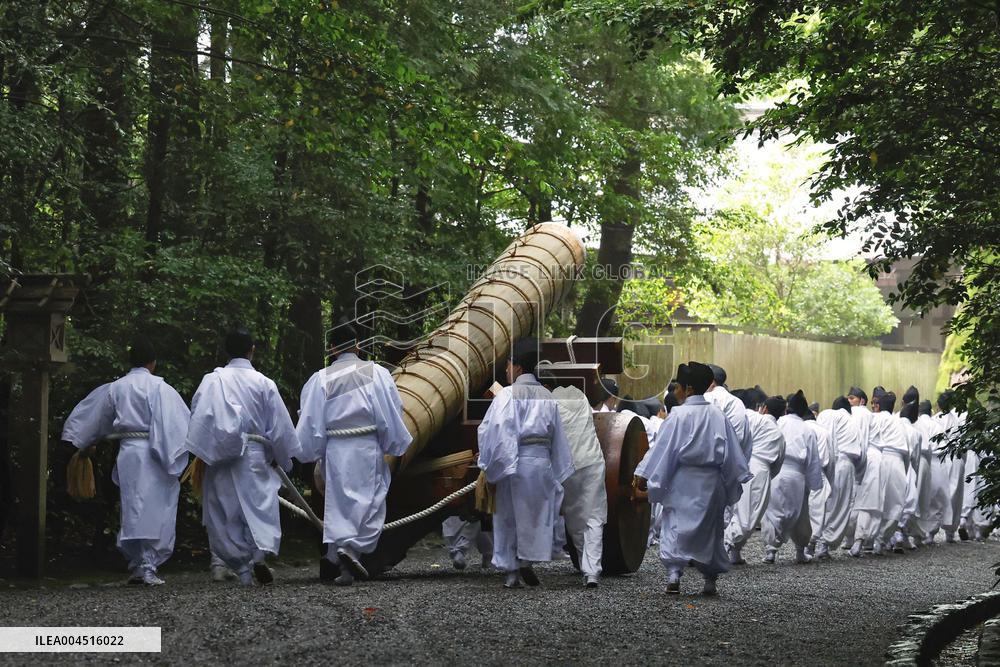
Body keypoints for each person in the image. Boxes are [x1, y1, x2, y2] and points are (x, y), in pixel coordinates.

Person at [62, 338, 191, 586]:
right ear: (153, 363)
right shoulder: (161, 388)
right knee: (156, 506)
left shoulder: (117, 388)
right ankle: (147, 564)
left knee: (133, 506)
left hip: (129, 452)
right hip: (156, 451)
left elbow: (96, 418)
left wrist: (82, 441)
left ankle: (138, 563)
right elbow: (179, 424)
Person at [296, 319, 413, 586]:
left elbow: (310, 419)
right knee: (370, 502)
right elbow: (393, 408)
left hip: (336, 449)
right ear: (358, 346)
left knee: (338, 505)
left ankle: (343, 563)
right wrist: (392, 442)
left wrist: (311, 451)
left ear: (333, 349)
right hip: (367, 446)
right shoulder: (377, 374)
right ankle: (350, 552)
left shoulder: (320, 379)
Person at [185, 328, 301, 586]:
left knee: (225, 513)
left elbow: (199, 414)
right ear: (252, 349)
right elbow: (280, 427)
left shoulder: (211, 381)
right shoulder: (264, 383)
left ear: (226, 351)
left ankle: (243, 569)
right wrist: (281, 458)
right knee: (259, 509)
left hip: (220, 456)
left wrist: (206, 448)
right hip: (256, 454)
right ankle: (258, 555)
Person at [634, 362, 750, 596]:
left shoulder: (678, 415)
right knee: (711, 530)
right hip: (711, 480)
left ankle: (674, 575)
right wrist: (730, 480)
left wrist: (644, 473)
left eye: (676, 387)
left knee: (674, 525)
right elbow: (732, 452)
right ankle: (710, 579)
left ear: (687, 389)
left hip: (682, 480)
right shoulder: (718, 415)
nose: (674, 391)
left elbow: (663, 449)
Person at [477, 338, 574, 589]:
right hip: (540, 464)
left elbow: (496, 430)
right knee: (534, 516)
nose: (507, 370)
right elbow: (558, 438)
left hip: (515, 462)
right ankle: (525, 560)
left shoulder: (508, 395)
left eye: (509, 365)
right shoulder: (547, 396)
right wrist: (557, 468)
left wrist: (493, 464)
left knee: (508, 518)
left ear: (518, 367)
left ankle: (511, 572)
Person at [541, 372, 608, 588]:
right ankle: (592, 571)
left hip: (567, 466)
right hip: (592, 462)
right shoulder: (579, 396)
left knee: (575, 519)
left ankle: (585, 566)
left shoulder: (547, 403)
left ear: (545, 386)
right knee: (594, 517)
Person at [761, 391, 823, 564]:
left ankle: (771, 550)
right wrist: (813, 483)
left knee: (772, 511)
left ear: (788, 408)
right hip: (797, 475)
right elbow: (813, 459)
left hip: (777, 471)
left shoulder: (778, 423)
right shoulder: (807, 429)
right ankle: (800, 551)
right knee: (801, 514)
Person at [725, 387, 785, 565]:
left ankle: (733, 551)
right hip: (761, 471)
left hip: (741, 463)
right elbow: (778, 462)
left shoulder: (748, 418)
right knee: (749, 517)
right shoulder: (777, 431)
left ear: (764, 407)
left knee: (737, 512)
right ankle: (725, 545)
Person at [815, 397, 864, 557]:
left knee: (821, 502)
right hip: (847, 464)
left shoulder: (827, 415)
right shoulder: (851, 421)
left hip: (828, 460)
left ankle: (810, 543)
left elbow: (823, 437)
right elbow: (862, 453)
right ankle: (824, 544)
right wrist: (859, 475)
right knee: (839, 506)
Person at [862, 391, 909, 555]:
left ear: (879, 405)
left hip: (878, 459)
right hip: (897, 461)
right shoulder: (899, 422)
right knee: (895, 503)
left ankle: (867, 537)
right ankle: (881, 541)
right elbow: (908, 452)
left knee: (875, 499)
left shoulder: (874, 418)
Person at [846, 386, 876, 554]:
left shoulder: (861, 414)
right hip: (860, 459)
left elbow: (863, 438)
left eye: (852, 398)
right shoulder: (856, 414)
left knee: (856, 499)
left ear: (861, 401)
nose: (849, 401)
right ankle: (855, 538)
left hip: (861, 459)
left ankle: (853, 538)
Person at [802, 407, 834, 559]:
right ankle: (811, 544)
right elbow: (829, 460)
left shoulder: (800, 428)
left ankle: (773, 551)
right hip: (818, 472)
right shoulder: (824, 432)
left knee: (800, 511)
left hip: (800, 472)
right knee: (817, 510)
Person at [935, 391, 967, 543]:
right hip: (956, 458)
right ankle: (950, 531)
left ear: (939, 404)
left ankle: (931, 529)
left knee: (937, 490)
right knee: (955, 493)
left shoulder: (935, 419)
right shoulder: (960, 419)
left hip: (939, 457)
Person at [914, 400, 947, 543]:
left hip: (919, 461)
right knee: (936, 498)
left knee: (918, 496)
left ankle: (915, 532)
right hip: (937, 461)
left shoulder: (915, 423)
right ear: (931, 411)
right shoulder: (936, 424)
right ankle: (930, 534)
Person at [705, 364, 751, 461]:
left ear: (711, 382)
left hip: (708, 463)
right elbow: (747, 440)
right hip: (733, 462)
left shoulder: (707, 398)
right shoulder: (738, 402)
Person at [896, 401, 924, 551]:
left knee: (891, 500)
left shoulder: (893, 426)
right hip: (909, 468)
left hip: (892, 464)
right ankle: (901, 531)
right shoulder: (915, 433)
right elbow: (916, 458)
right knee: (909, 502)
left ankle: (896, 535)